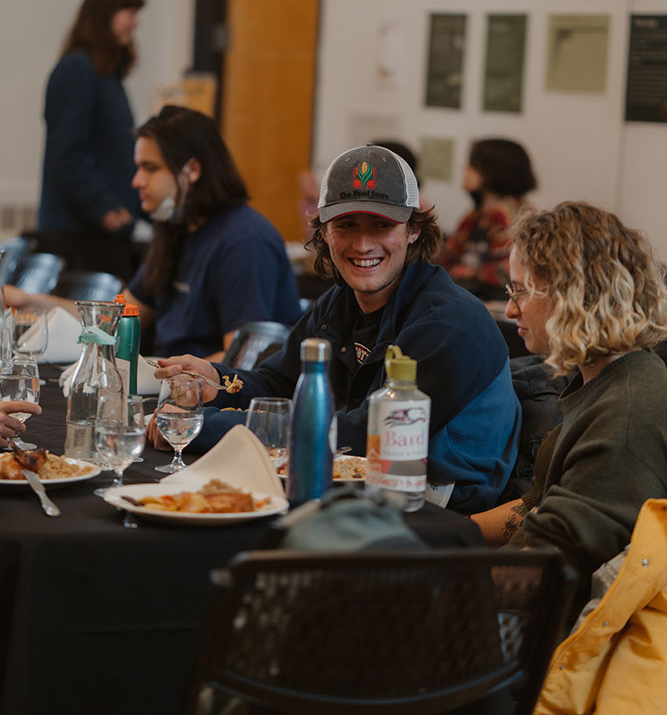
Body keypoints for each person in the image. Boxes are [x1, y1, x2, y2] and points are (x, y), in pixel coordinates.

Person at [148, 143, 522, 514]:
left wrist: (202, 426)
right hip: (362, 479)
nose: (362, 244)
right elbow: (277, 383)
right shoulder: (338, 302)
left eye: (382, 224)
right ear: (325, 232)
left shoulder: (450, 324)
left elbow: (364, 435)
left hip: (439, 503)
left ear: (414, 231)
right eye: (346, 225)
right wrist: (215, 381)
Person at [472, 202, 667, 605]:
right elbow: (542, 508)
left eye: (521, 290)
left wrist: (422, 587)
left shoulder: (625, 416)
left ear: (572, 295)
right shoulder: (610, 379)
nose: (509, 309)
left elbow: (542, 572)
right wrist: (450, 531)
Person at [7, 106, 303, 361]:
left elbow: (241, 359)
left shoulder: (244, 241)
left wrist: (157, 373)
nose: (136, 181)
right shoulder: (176, 229)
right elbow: (117, 318)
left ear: (193, 169)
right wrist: (29, 301)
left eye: (150, 168)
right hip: (169, 390)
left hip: (208, 406)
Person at [37, 0, 145, 280]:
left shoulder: (109, 77)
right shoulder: (77, 69)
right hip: (79, 236)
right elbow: (67, 152)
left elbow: (118, 155)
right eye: (130, 13)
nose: (135, 24)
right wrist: (104, 208)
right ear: (104, 15)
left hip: (103, 233)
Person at [438, 138, 537, 299]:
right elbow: (447, 254)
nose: (464, 169)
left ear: (491, 172)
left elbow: (509, 271)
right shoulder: (476, 216)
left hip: (496, 301)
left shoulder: (507, 216)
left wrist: (471, 272)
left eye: (472, 165)